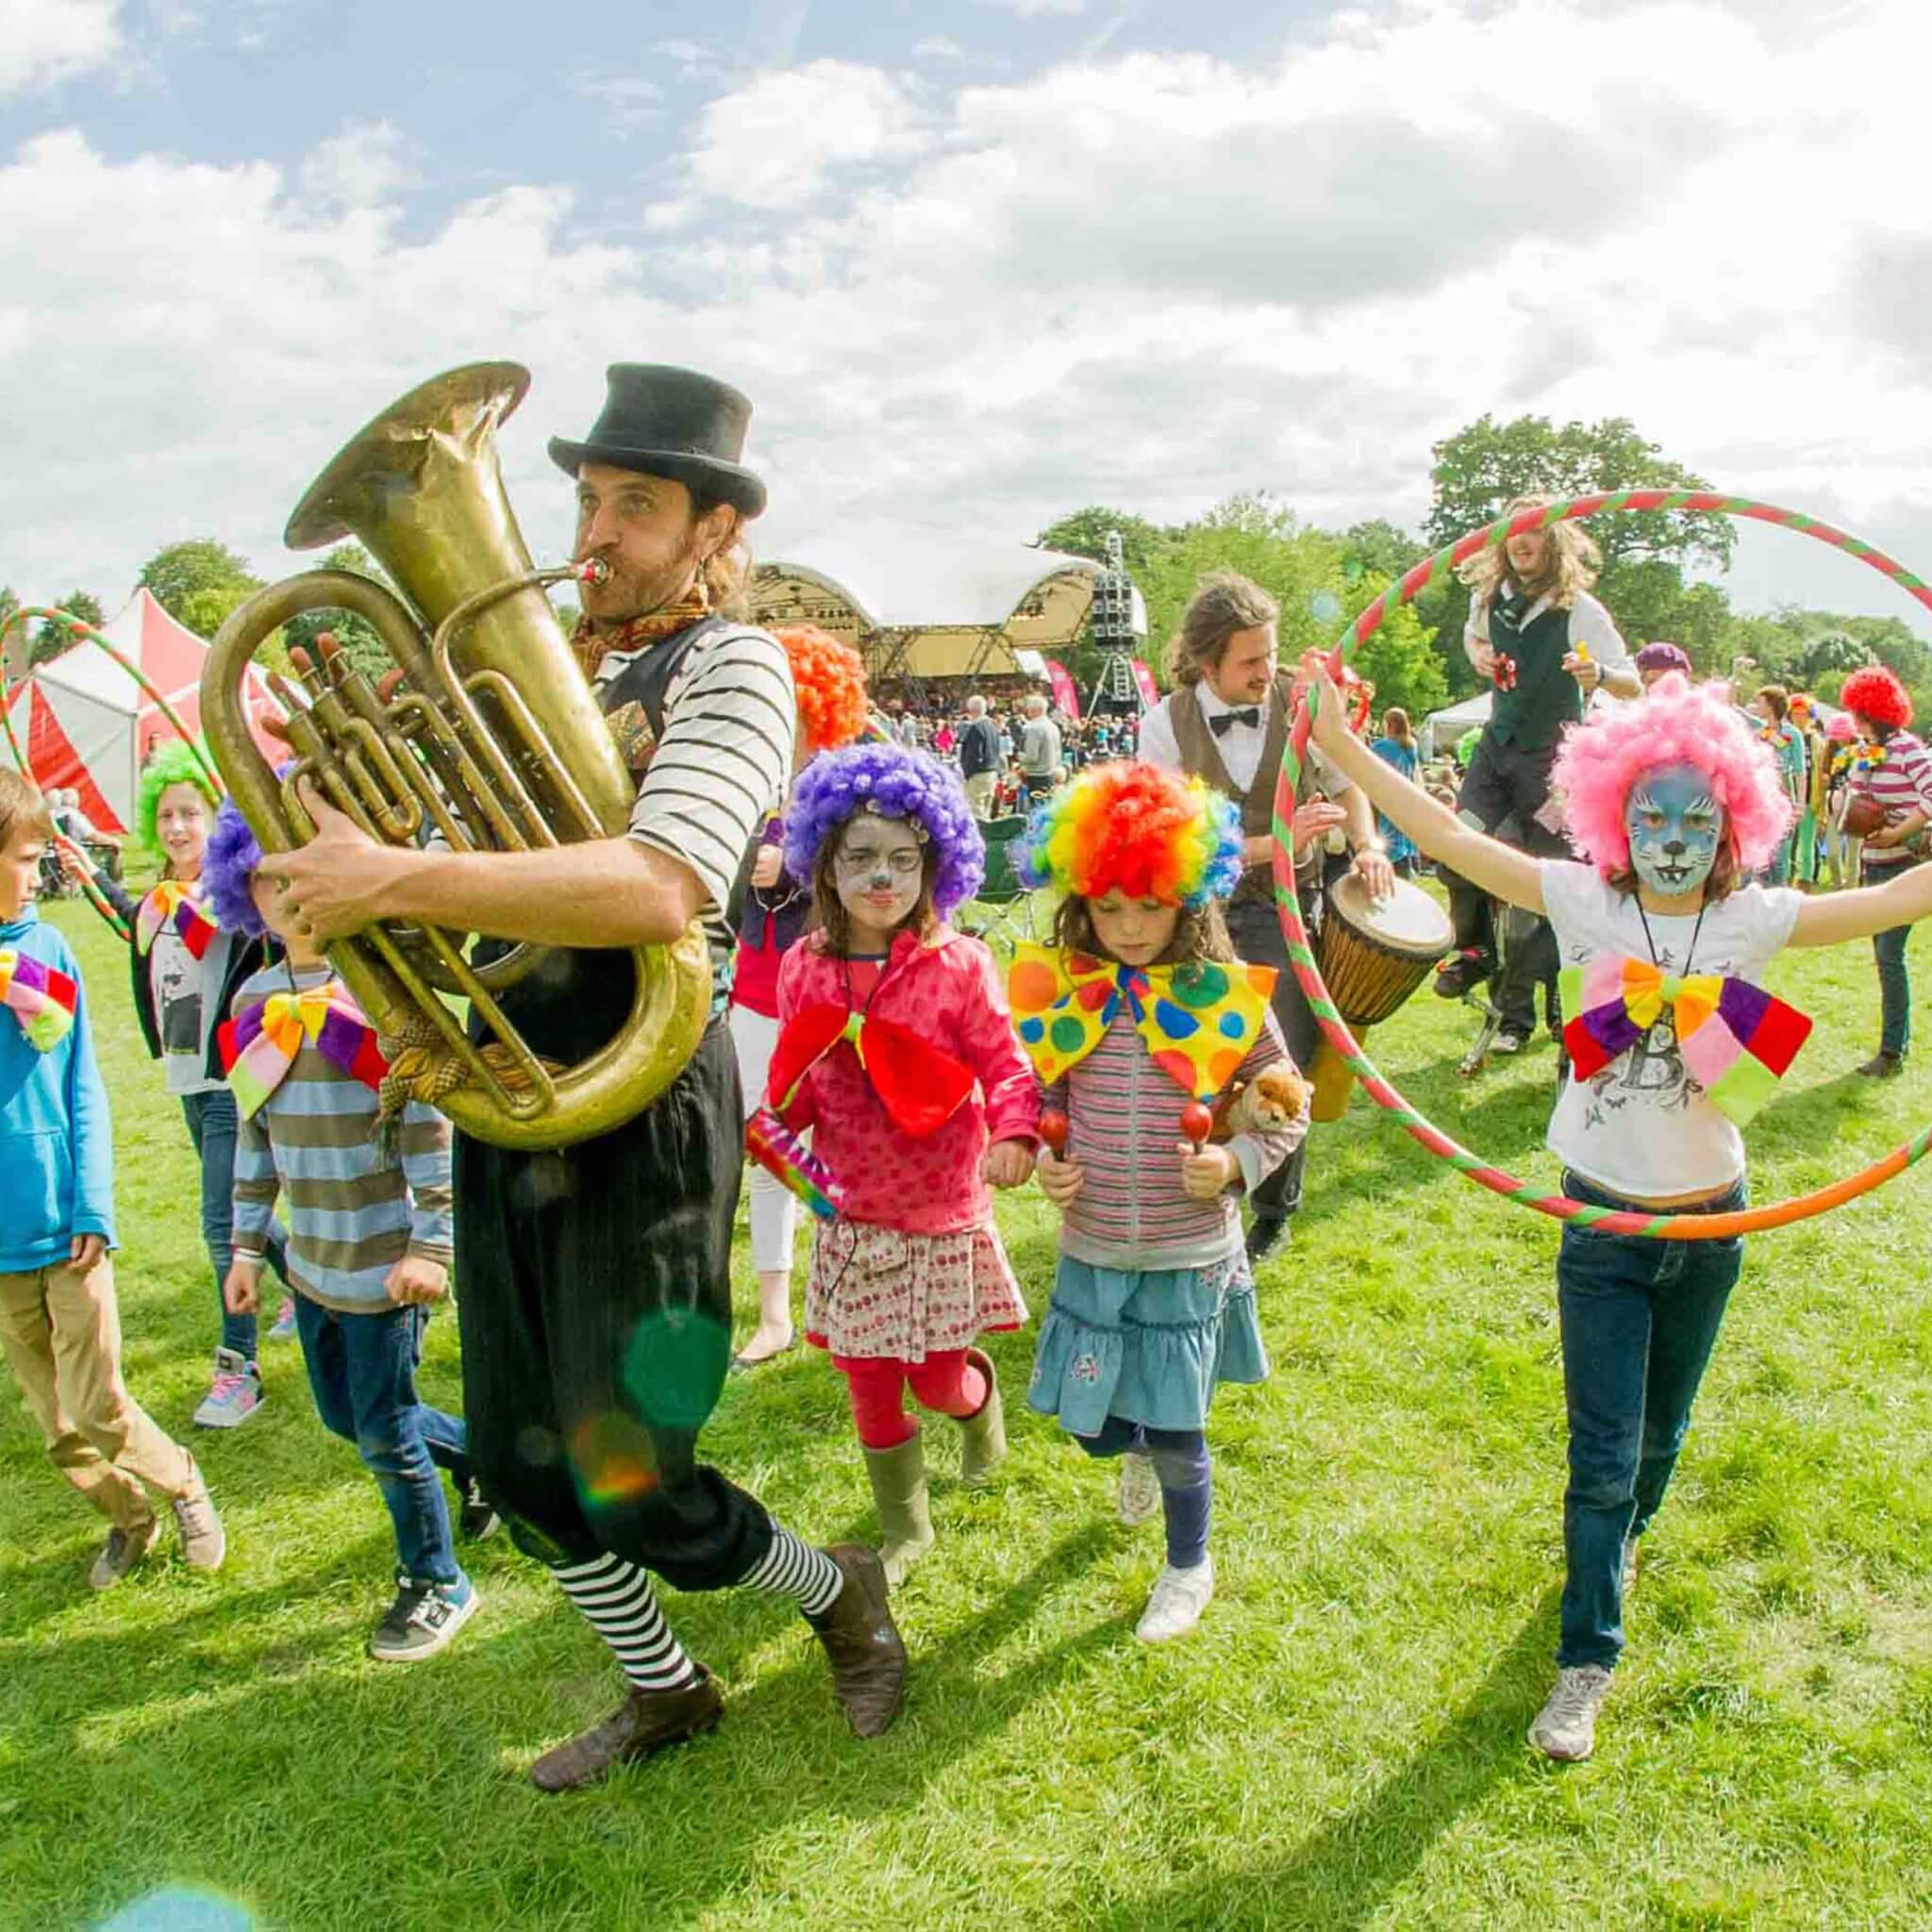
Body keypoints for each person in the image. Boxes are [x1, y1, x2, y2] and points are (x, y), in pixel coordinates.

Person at [275, 361, 906, 1787]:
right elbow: (478, 885)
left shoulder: (735, 667)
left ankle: (843, 1592)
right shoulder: (526, 662)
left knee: (644, 1476)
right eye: (587, 498)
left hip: (651, 1105)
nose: (598, 531)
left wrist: (395, 868)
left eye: (639, 505)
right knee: (515, 1455)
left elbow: (663, 885)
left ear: (712, 534)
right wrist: (351, 882)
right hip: (519, 1094)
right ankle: (664, 1688)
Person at [1304, 658, 1932, 1762]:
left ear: (1735, 817)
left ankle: (1621, 1539)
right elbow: (1452, 842)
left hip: (1709, 1227)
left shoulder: (1754, 917)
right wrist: (1342, 748)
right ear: (1614, 812)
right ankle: (1583, 1654)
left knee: (1658, 1432)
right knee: (1598, 1450)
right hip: (1600, 1224)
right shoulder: (1581, 898)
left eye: (1698, 815)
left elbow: (1889, 897)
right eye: (1652, 812)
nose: (1674, 835)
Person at [1012, 762, 1306, 1641]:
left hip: (1186, 1257)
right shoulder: (1069, 993)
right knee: (1094, 1428)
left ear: (1188, 895)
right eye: (1108, 907)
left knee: (1181, 1433)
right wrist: (1043, 1149)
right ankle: (1129, 1446)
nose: (1131, 927)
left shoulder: (1224, 1001)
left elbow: (1285, 1104)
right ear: (1080, 904)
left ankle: (1189, 1564)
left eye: (1150, 903)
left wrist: (1237, 1157)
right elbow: (1044, 1095)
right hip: (1094, 1248)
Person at [201, 797, 493, 1659]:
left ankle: (438, 1579)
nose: (290, 893)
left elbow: (429, 1130)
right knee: (348, 1420)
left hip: (385, 1265)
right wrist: (248, 1247)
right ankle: (482, 1461)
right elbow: (253, 1140)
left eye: (304, 871)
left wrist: (430, 1246)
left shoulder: (379, 1000)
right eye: (268, 878)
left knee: (384, 1430)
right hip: (313, 1266)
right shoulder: (254, 1002)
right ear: (243, 890)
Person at [767, 743, 1038, 1585]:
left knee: (933, 1383)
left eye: (904, 860)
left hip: (941, 1211)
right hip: (853, 1215)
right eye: (860, 859)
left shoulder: (960, 965)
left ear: (937, 865)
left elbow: (1006, 1066)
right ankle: (906, 1529)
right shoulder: (800, 969)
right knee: (870, 1383)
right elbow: (795, 1093)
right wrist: (780, 1145)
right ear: (823, 864)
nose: (882, 879)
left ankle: (976, 1405)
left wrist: (1015, 1135)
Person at [0, 772, 225, 1588]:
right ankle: (131, 1522)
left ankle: (183, 1483)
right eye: (23, 861)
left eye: (35, 860)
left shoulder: (44, 950)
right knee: (57, 1426)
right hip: (1, 1247)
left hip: (66, 1227)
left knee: (99, 1407)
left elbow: (81, 1087)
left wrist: (92, 1203)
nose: (34, 877)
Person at [1138, 570, 1392, 1264]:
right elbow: (1172, 840)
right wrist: (1274, 843)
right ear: (1206, 662)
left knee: (1283, 1067)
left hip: (1289, 916)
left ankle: (1274, 1211)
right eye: (1250, 661)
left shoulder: (1302, 704)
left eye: (1271, 654)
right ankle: (1204, 1191)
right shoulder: (1164, 725)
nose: (1266, 671)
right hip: (1200, 919)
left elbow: (1348, 780)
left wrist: (1367, 845)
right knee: (1201, 1062)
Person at [87, 741, 292, 1425]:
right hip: (188, 1082)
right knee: (244, 1219)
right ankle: (314, 1289)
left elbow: (219, 930)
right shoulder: (157, 902)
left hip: (231, 1084)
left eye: (190, 814)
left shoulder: (232, 898)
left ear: (213, 818)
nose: (177, 827)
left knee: (220, 1226)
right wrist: (90, 875)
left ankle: (240, 1369)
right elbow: (138, 926)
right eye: (167, 816)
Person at [1435, 498, 1640, 1052]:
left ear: (1553, 541)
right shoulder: (1489, 600)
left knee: (1549, 890)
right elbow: (1471, 635)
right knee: (1456, 845)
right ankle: (1476, 950)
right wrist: (1478, 651)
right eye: (1511, 534)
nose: (1520, 542)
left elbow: (1633, 683)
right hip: (1496, 751)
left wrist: (1598, 674)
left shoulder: (1579, 611)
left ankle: (1539, 1004)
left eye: (1532, 533)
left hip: (1551, 764)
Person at [727, 624, 872, 1369]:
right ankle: (776, 1309)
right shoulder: (740, 774)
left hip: (830, 987)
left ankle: (843, 1285)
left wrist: (793, 867)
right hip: (753, 988)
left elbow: (876, 878)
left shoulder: (848, 783)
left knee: (845, 1136)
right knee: (770, 1144)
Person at [1837, 665, 1932, 1078]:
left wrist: (1898, 833)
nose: (1854, 721)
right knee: (1882, 955)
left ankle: (1892, 1052)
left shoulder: (1909, 749)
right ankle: (1894, 1044)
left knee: (1889, 955)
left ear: (1873, 712)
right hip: (1873, 865)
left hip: (1904, 864)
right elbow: (1857, 795)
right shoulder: (1864, 751)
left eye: (1858, 713)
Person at [1747, 685, 1806, 886]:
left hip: (1784, 797)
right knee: (1762, 853)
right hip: (1762, 799)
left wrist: (1800, 804)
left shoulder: (1793, 734)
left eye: (1760, 702)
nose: (1757, 706)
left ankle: (1779, 892)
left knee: (1780, 857)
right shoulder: (1759, 730)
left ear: (1771, 705)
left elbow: (1800, 771)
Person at [1369, 708, 1422, 876]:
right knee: (1403, 833)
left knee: (1387, 835)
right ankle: (1407, 867)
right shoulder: (1410, 745)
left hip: (1387, 796)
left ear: (1388, 724)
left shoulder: (1382, 746)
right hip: (1406, 796)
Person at [958, 693, 1003, 819]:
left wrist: (965, 774)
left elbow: (974, 755)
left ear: (970, 710)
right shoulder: (992, 726)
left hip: (978, 774)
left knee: (976, 813)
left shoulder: (976, 728)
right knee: (986, 812)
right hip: (992, 772)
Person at [1016, 694, 1063, 808]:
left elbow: (1032, 757)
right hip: (1051, 772)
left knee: (1037, 811)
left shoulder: (1032, 728)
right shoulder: (1053, 727)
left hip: (1037, 776)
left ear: (1034, 710)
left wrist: (1019, 756)